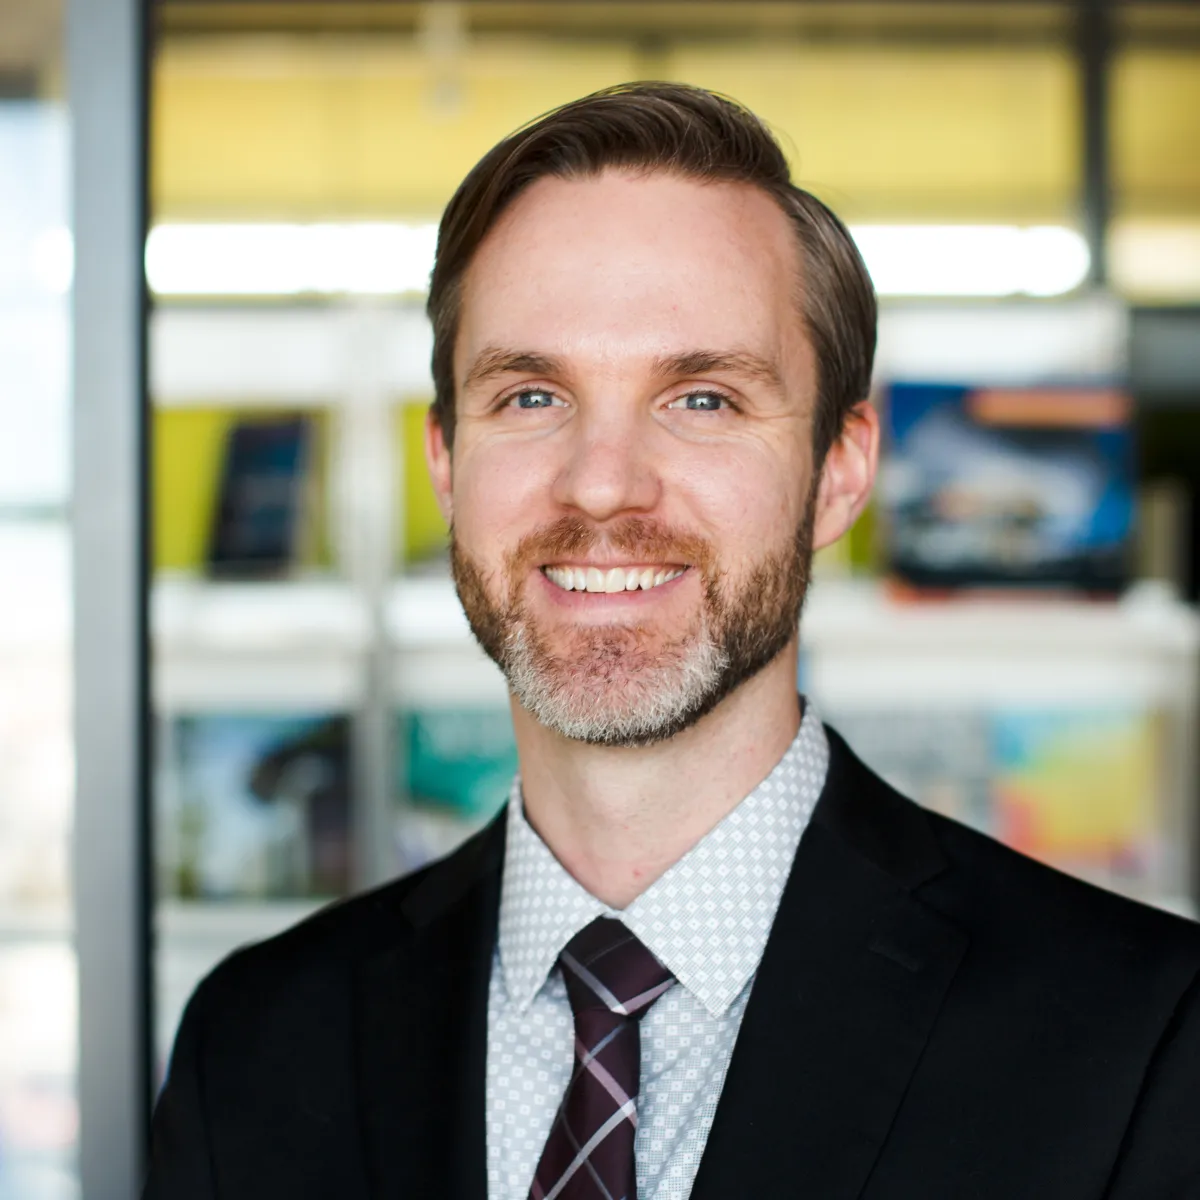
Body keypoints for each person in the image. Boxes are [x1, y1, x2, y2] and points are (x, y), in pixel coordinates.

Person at [144, 83, 1200, 1200]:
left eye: (701, 399)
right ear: (446, 463)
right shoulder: (256, 1044)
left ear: (841, 471)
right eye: (533, 395)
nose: (602, 485)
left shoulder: (1141, 1043)